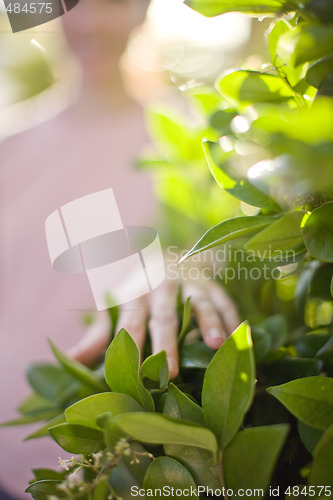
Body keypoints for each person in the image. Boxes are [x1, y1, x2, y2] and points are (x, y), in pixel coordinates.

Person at [0, 0, 239, 497]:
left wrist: (185, 264)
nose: (90, 22)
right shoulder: (9, 148)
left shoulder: (196, 142)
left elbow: (225, 246)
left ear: (142, 9)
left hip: (123, 472)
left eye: (111, 2)